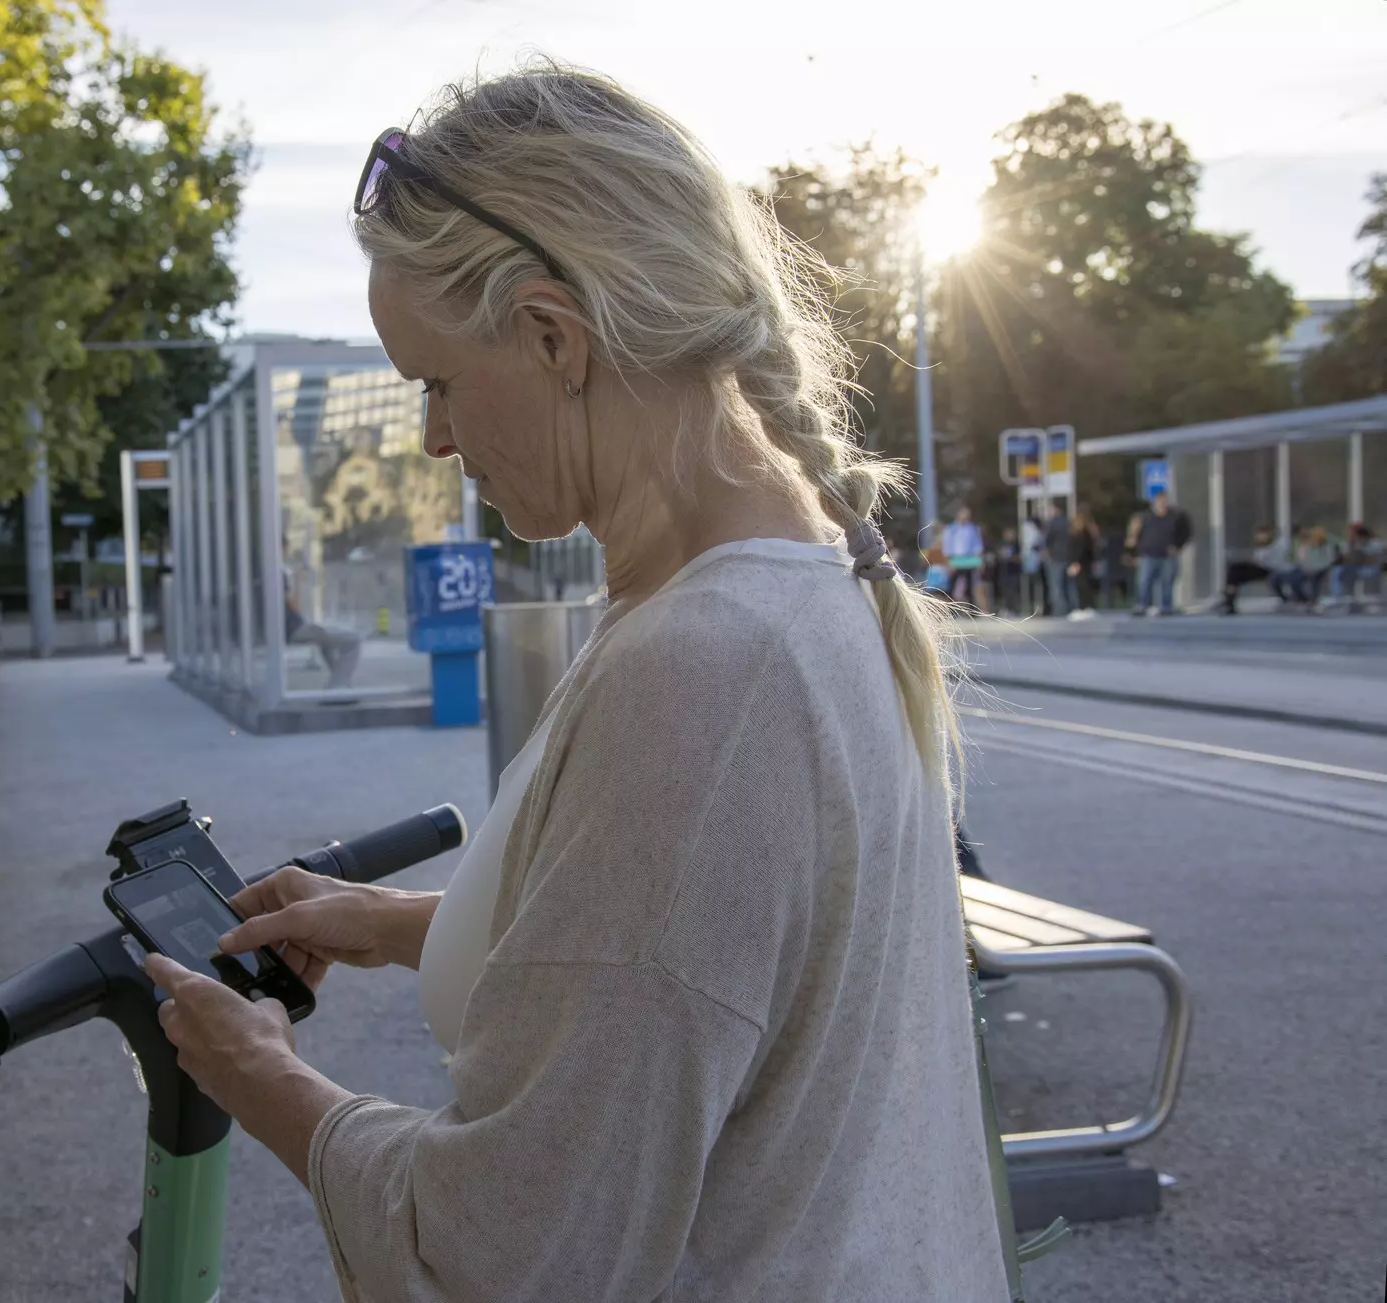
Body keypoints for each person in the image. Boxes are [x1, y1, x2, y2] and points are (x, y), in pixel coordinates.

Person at [143, 66, 1007, 1301]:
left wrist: (264, 1076)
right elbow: (709, 960)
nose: (434, 439)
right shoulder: (803, 586)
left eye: (435, 381)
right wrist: (403, 925)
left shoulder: (705, 668)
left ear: (554, 335)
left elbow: (516, 1254)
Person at [284, 573, 363, 687]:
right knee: (353, 639)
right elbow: (294, 607)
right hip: (295, 630)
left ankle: (341, 683)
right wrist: (297, 583)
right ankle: (337, 687)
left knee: (327, 643)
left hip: (292, 629)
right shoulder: (278, 575)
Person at [1128, 491, 1190, 615]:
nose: (1162, 504)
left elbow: (1186, 532)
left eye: (1164, 501)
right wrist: (1135, 553)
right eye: (1159, 502)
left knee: (1167, 581)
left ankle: (1166, 606)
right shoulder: (1146, 517)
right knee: (1144, 581)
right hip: (1148, 554)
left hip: (1168, 555)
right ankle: (1141, 605)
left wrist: (1178, 546)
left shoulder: (1176, 517)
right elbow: (1135, 536)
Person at [1222, 524, 1288, 614]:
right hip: (1259, 568)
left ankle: (1228, 599)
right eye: (1258, 535)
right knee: (1234, 571)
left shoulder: (1276, 546)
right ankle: (1229, 599)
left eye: (1262, 534)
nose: (1260, 537)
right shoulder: (1261, 547)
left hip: (1268, 570)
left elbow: (1272, 562)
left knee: (1235, 571)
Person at [1331, 522, 1383, 611]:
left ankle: (1354, 599)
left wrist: (1359, 554)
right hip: (1352, 568)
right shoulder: (1348, 543)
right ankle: (1341, 598)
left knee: (1351, 571)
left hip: (1369, 568)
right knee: (1338, 571)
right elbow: (1344, 558)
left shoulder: (1374, 542)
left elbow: (1374, 559)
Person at [943, 504, 986, 611]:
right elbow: (947, 546)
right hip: (955, 560)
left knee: (970, 586)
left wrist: (980, 561)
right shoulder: (951, 529)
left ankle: (972, 611)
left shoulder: (972, 529)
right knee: (951, 586)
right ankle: (951, 610)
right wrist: (949, 561)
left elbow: (977, 545)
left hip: (969, 560)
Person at [1287, 526, 1339, 607]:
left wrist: (1315, 568)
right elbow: (1303, 560)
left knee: (1314, 577)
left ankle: (1314, 600)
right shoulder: (1308, 547)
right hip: (1307, 569)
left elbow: (1329, 561)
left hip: (1322, 570)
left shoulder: (1327, 547)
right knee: (1293, 578)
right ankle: (1301, 598)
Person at [1042, 502, 1074, 615]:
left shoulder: (1053, 523)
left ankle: (1059, 610)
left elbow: (1047, 540)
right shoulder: (1069, 522)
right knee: (1068, 585)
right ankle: (1071, 608)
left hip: (1054, 557)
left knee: (1055, 585)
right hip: (1067, 556)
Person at [1069, 508, 1101, 613]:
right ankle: (1085, 607)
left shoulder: (1081, 534)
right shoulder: (1087, 532)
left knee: (1082, 585)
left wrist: (1075, 562)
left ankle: (1085, 607)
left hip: (1081, 562)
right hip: (1085, 562)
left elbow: (1080, 548)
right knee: (1083, 585)